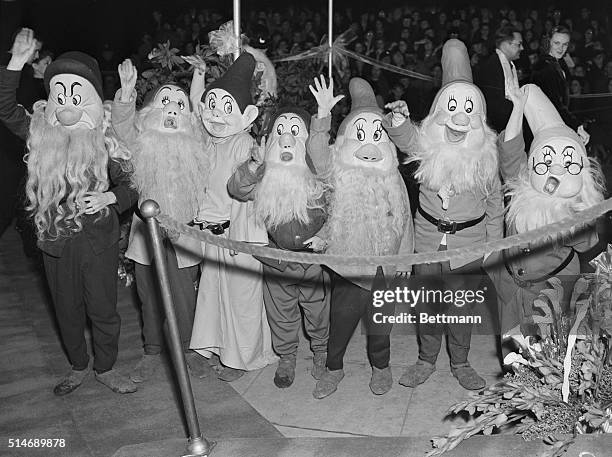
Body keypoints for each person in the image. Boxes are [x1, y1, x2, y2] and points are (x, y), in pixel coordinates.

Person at [0, 29, 138, 395]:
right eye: (59, 95)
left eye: (77, 96)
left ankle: (106, 368)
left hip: (99, 242)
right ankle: (79, 365)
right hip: (55, 240)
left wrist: (111, 199)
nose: (67, 104)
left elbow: (133, 186)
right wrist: (15, 62)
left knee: (104, 311)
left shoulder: (105, 142)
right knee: (67, 310)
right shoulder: (41, 133)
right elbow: (5, 109)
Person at [385, 39, 504, 391]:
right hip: (426, 241)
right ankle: (425, 359)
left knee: (460, 310)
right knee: (428, 308)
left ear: (479, 119)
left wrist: (492, 246)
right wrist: (398, 120)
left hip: (468, 246)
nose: (459, 118)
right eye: (451, 108)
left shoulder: (485, 156)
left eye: (469, 110)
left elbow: (495, 203)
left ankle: (461, 362)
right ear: (439, 112)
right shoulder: (429, 141)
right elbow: (408, 141)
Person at [307, 77, 414, 399]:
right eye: (359, 134)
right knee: (341, 322)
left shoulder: (393, 177)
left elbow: (405, 218)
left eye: (377, 135)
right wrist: (322, 116)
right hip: (349, 266)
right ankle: (333, 368)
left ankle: (381, 367)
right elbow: (316, 154)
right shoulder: (338, 171)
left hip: (386, 266)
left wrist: (406, 260)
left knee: (381, 324)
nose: (368, 146)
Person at [485, 80, 604, 357]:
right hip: (511, 291)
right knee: (513, 356)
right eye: (547, 160)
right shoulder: (520, 184)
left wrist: (578, 204)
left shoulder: (576, 207)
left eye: (567, 162)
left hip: (553, 292)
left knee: (548, 358)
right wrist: (517, 108)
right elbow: (511, 149)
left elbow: (588, 244)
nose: (556, 169)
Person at [111, 59, 210, 382]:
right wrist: (126, 94)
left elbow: (201, 119)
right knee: (149, 294)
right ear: (150, 112)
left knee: (184, 296)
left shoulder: (195, 144)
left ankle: (188, 350)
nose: (171, 109)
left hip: (183, 235)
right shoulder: (141, 143)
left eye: (179, 105)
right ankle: (152, 350)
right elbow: (123, 128)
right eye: (164, 101)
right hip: (146, 236)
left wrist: (199, 78)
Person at [226, 93, 334, 388]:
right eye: (280, 132)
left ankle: (321, 352)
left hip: (314, 263)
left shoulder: (320, 179)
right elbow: (236, 189)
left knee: (318, 311)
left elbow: (339, 212)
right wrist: (253, 165)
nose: (286, 140)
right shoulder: (265, 177)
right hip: (277, 260)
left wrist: (325, 235)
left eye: (295, 132)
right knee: (281, 313)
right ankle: (287, 357)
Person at [189, 52, 277, 381]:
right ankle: (211, 347)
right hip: (209, 234)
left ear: (247, 115)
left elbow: (245, 186)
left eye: (227, 108)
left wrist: (255, 166)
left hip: (238, 237)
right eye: (212, 105)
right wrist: (198, 78)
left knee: (242, 301)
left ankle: (245, 358)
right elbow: (195, 112)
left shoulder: (243, 143)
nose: (216, 114)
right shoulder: (208, 140)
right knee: (212, 296)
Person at [531, 26, 590, 145]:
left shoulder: (555, 63)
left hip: (553, 124)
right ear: (548, 42)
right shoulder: (545, 67)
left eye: (565, 44)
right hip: (546, 128)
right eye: (557, 43)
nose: (561, 48)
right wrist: (577, 126)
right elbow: (555, 104)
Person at [475, 25, 523, 133]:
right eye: (519, 44)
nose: (522, 48)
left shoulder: (508, 65)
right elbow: (494, 107)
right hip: (496, 130)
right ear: (505, 45)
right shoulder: (492, 67)